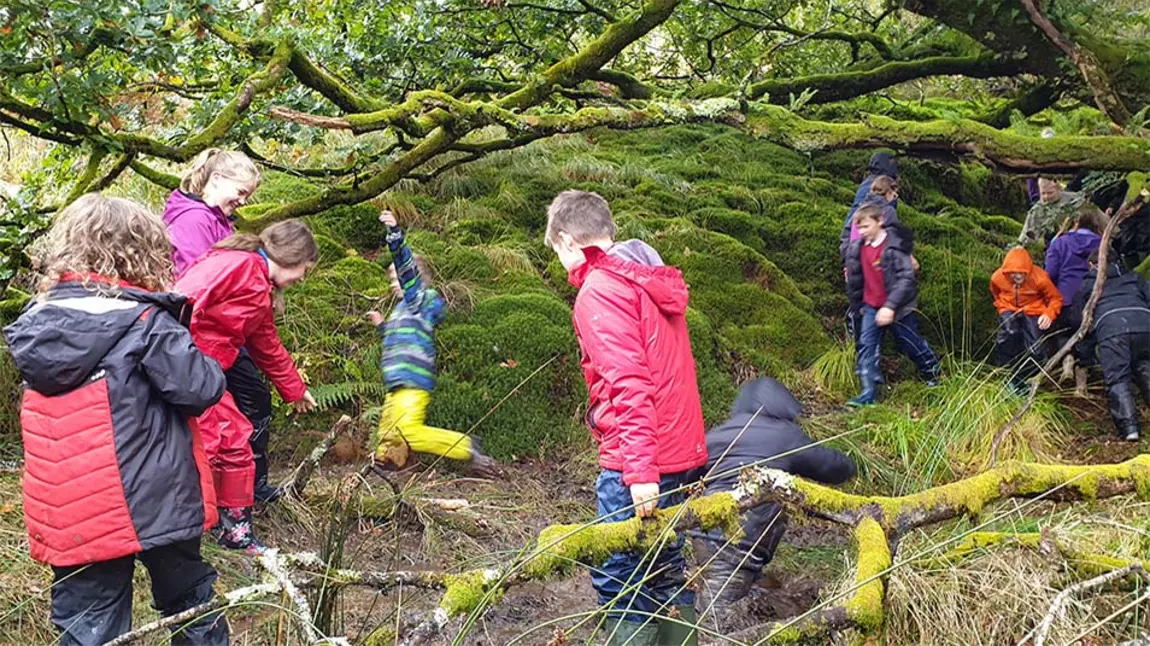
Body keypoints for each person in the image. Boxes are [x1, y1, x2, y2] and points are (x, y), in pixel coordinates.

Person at [3, 193, 229, 645]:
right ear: (143, 253)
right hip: (154, 498)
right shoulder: (145, 323)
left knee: (88, 624)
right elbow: (201, 388)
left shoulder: (37, 322)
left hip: (72, 508)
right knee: (190, 602)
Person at [545, 189, 708, 646]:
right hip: (680, 452)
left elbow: (630, 385)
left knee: (619, 575)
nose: (561, 263)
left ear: (568, 242)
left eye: (557, 251)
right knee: (665, 566)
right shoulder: (647, 276)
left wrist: (639, 473)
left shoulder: (600, 291)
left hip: (639, 459)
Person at [175, 220, 319, 553]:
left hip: (203, 374)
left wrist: (294, 389)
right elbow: (183, 299)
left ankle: (234, 531)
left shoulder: (255, 278)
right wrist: (177, 362)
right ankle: (184, 532)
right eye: (303, 269)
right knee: (208, 445)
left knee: (235, 439)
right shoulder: (237, 266)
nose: (300, 278)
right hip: (190, 372)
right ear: (291, 256)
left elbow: (265, 342)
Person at [163, 149, 282, 502]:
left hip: (224, 333)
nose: (243, 201)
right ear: (216, 180)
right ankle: (223, 496)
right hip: (202, 336)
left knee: (252, 401)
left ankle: (246, 488)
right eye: (240, 192)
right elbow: (193, 282)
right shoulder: (192, 220)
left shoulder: (215, 219)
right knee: (223, 415)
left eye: (248, 196)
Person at [691, 378, 855, 610]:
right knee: (717, 613)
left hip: (704, 530)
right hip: (744, 538)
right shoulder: (784, 435)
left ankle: (757, 600)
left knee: (724, 589)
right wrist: (850, 464)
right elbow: (829, 466)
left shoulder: (719, 434)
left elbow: (687, 475)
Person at [368, 209, 497, 475]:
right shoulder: (403, 309)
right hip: (396, 382)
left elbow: (405, 269)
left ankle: (464, 446)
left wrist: (395, 235)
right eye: (391, 280)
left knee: (407, 432)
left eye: (397, 279)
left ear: (414, 279)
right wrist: (382, 326)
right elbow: (397, 342)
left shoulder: (418, 301)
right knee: (388, 434)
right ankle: (384, 470)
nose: (394, 284)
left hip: (412, 379)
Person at [844, 204, 941, 406]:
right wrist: (858, 304)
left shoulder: (895, 246)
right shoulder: (857, 248)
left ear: (880, 221)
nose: (862, 232)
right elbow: (856, 279)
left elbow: (906, 278)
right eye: (859, 228)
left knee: (911, 342)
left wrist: (890, 306)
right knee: (866, 347)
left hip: (898, 308)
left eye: (866, 226)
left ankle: (933, 374)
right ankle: (868, 393)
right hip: (870, 306)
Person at [1066, 251, 1150, 441]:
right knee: (1146, 367)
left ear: (1092, 265)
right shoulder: (1134, 278)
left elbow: (1077, 319)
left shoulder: (1089, 285)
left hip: (1112, 331)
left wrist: (1084, 352)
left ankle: (1130, 429)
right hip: (1145, 325)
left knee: (1118, 378)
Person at [1045, 206, 1107, 385]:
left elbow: (1050, 272)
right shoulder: (1103, 243)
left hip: (1065, 296)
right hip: (1093, 298)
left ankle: (1067, 361)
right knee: (1087, 337)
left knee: (1064, 332)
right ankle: (1083, 381)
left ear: (1074, 222)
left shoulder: (1060, 242)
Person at [990, 247, 1062, 393]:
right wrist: (1002, 308)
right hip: (1008, 306)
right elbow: (996, 293)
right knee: (1006, 338)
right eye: (1013, 274)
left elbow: (1055, 298)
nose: (1017, 277)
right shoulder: (997, 277)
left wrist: (1049, 313)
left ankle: (1025, 379)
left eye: (1021, 273)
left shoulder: (1040, 278)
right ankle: (1006, 376)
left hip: (1034, 309)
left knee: (1036, 348)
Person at [838, 152, 899, 261]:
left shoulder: (867, 183)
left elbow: (853, 217)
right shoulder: (885, 192)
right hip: (869, 251)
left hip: (853, 246)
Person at [1018, 178, 1084, 247]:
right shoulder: (1037, 209)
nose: (1046, 197)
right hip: (1052, 246)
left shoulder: (1074, 199)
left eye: (1050, 193)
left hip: (1077, 243)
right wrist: (1020, 247)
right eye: (1043, 193)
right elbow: (1027, 234)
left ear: (1058, 188)